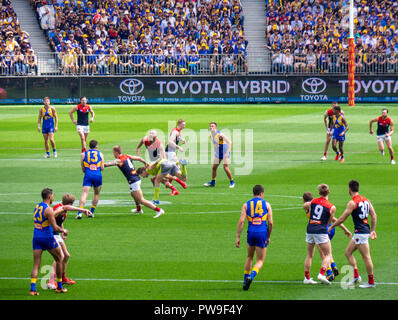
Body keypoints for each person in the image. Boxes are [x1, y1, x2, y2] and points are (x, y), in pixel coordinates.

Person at [328, 180, 377, 288]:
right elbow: (373, 215)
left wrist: (331, 226)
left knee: (366, 257)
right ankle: (356, 277)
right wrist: (372, 230)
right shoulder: (366, 200)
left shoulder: (352, 203)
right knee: (348, 252)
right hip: (360, 233)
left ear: (349, 189)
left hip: (361, 233)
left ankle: (371, 282)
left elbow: (342, 219)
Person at [302, 191, 351, 282]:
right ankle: (332, 266)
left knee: (321, 252)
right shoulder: (320, 205)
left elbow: (305, 206)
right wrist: (345, 229)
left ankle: (328, 272)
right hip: (328, 229)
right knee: (327, 251)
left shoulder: (311, 206)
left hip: (319, 229)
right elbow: (333, 219)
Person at [104, 145, 165, 218]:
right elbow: (139, 158)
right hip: (136, 178)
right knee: (133, 194)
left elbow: (108, 164)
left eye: (113, 152)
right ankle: (138, 209)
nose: (113, 154)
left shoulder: (119, 160)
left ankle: (158, 210)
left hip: (133, 181)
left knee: (141, 200)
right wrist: (145, 162)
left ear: (116, 152)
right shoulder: (127, 156)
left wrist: (97, 165)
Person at [47, 194, 90, 289]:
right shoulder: (60, 208)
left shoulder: (63, 210)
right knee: (59, 257)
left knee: (66, 255)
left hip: (56, 234)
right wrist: (82, 210)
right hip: (50, 233)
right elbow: (65, 207)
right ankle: (51, 281)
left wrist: (63, 232)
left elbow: (60, 222)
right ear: (71, 203)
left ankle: (63, 278)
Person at [30, 188, 68, 295]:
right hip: (47, 237)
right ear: (50, 196)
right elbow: (55, 227)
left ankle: (33, 289)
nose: (53, 198)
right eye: (53, 196)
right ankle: (59, 287)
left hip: (36, 237)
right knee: (60, 258)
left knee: (36, 264)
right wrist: (63, 230)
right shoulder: (49, 210)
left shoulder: (37, 206)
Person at [235, 185, 273, 291]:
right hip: (262, 233)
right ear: (261, 193)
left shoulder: (246, 205)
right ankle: (250, 277)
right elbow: (270, 223)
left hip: (251, 233)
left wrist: (238, 237)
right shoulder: (267, 204)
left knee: (249, 257)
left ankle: (244, 281)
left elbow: (242, 221)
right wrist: (268, 236)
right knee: (260, 260)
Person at [302, 184, 335, 285]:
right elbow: (329, 222)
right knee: (328, 254)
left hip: (310, 228)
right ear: (328, 192)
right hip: (320, 230)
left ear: (319, 193)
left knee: (309, 255)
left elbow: (305, 206)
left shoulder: (313, 201)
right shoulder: (331, 207)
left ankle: (307, 278)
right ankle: (322, 273)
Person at [76, 140, 104, 219]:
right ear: (96, 146)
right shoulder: (100, 154)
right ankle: (91, 212)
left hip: (88, 175)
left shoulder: (83, 154)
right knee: (96, 194)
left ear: (89, 146)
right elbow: (102, 168)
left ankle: (80, 213)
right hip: (98, 175)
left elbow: (83, 169)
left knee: (84, 194)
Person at [204, 122, 235, 188]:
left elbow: (230, 142)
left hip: (225, 151)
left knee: (225, 167)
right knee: (214, 167)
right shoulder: (211, 135)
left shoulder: (220, 134)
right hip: (219, 151)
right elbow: (216, 144)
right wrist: (215, 152)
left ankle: (232, 182)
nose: (211, 127)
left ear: (215, 127)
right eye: (210, 126)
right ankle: (213, 182)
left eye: (212, 126)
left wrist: (227, 153)